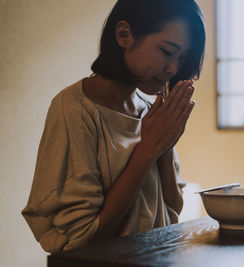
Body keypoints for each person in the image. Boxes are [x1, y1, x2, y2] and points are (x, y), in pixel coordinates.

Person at [21, 0, 205, 253]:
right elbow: (84, 237)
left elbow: (172, 209)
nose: (173, 68)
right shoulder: (75, 108)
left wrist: (165, 144)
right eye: (166, 51)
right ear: (124, 35)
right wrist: (147, 149)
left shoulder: (151, 110)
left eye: (181, 57)